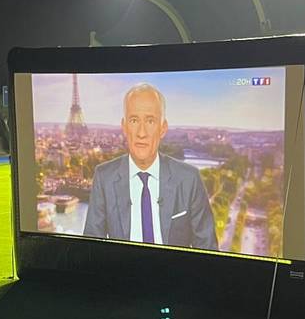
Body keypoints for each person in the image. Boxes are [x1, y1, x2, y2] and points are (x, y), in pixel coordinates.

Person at [82, 83, 218, 250]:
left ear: (163, 128)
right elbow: (90, 249)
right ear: (124, 127)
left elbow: (208, 250)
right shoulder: (104, 177)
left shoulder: (189, 178)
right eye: (134, 120)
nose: (141, 133)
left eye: (150, 121)